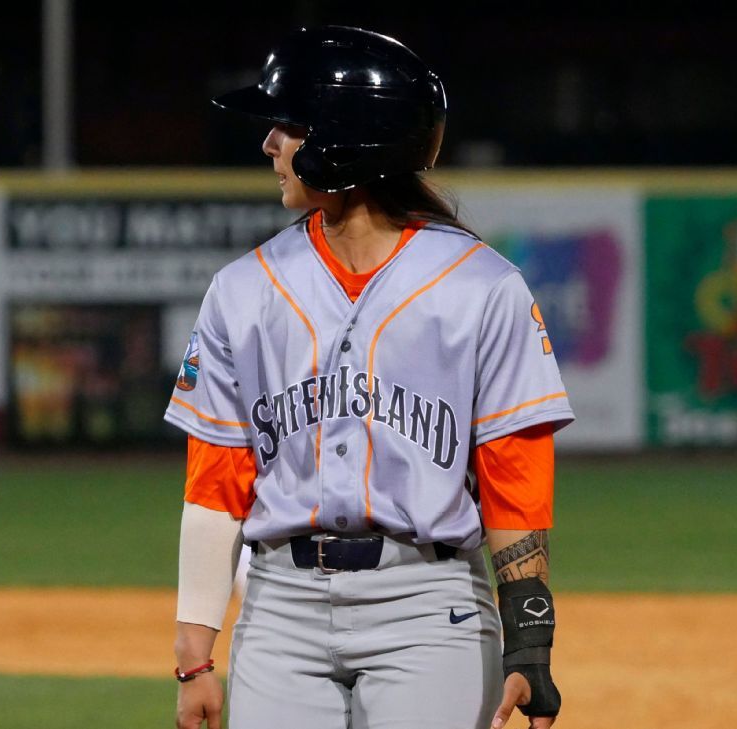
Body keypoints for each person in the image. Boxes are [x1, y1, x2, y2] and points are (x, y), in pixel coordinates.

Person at [165, 25, 574, 729]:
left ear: (344, 139)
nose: (269, 146)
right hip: (279, 608)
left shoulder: (481, 287)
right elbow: (217, 477)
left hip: (428, 605)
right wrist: (195, 652)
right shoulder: (243, 289)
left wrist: (530, 639)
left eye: (287, 126)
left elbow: (514, 471)